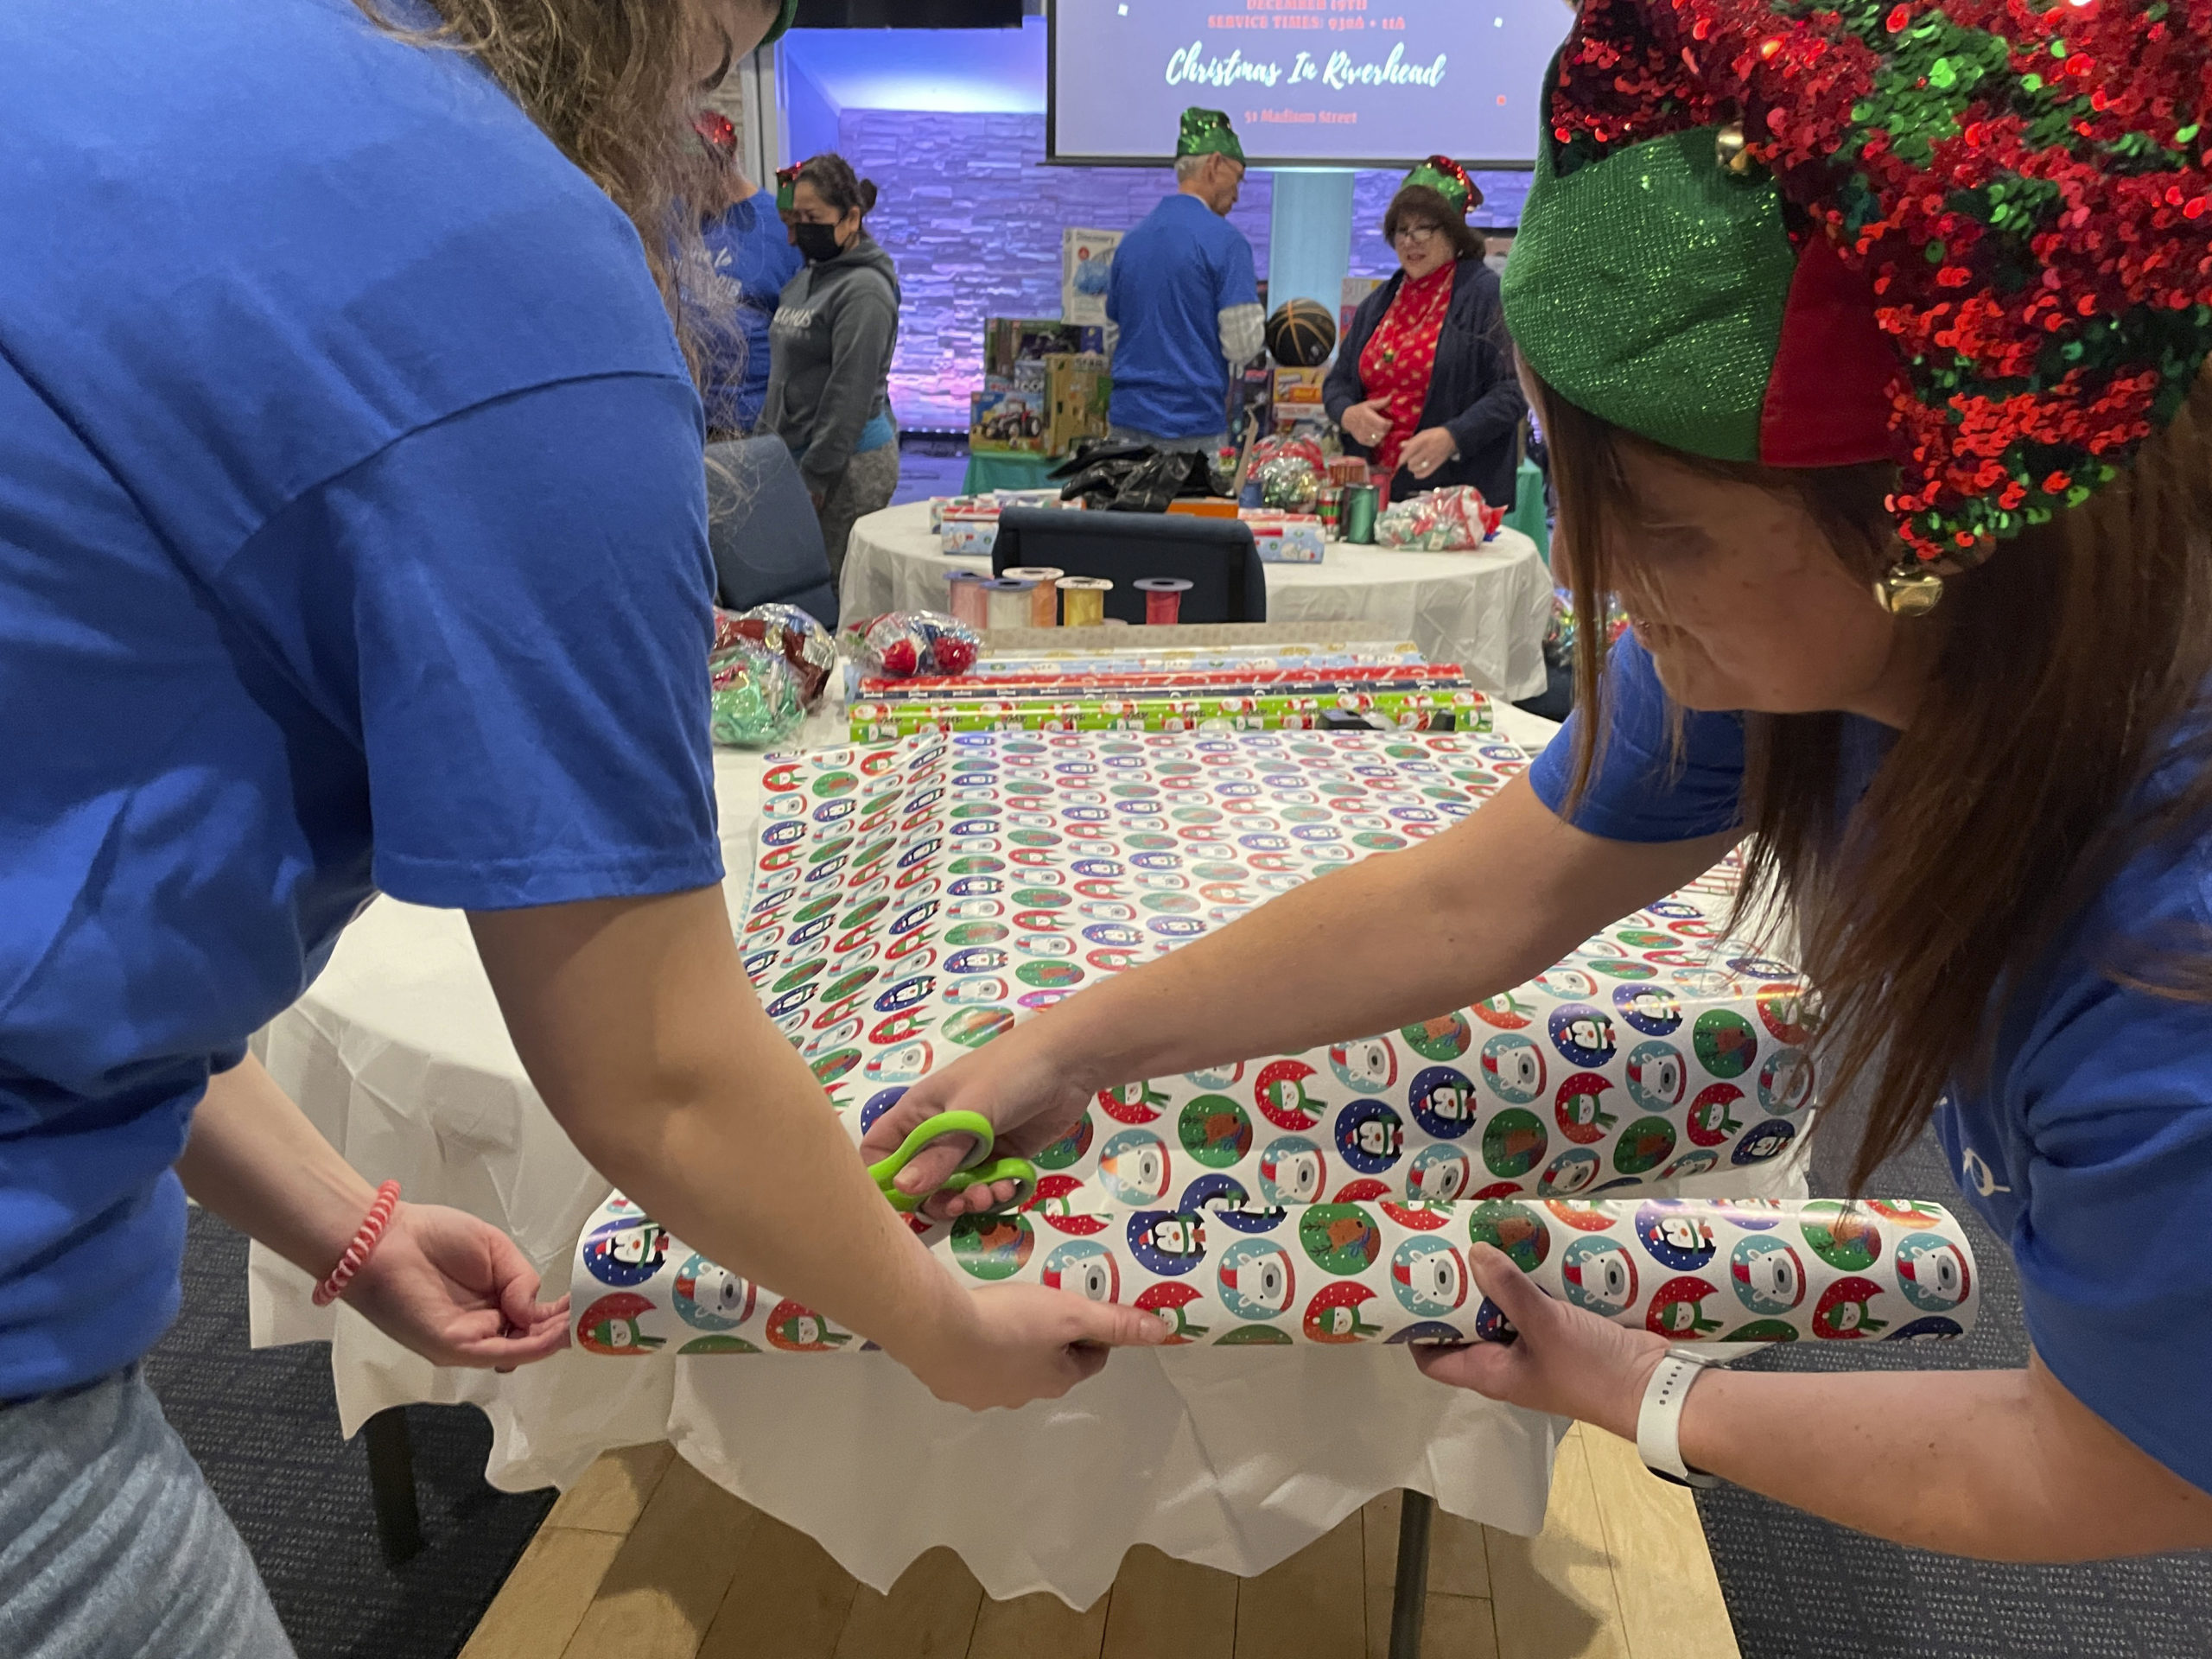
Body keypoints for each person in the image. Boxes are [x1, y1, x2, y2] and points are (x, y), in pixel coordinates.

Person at [868, 0, 2212, 1562]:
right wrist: (1067, 1048)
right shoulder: (1792, 658)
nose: (1599, 584)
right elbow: (1470, 899)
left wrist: (1647, 1390)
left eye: (1674, 534)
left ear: (1931, 519)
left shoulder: (2164, 962)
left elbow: (2120, 1471)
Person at [0, 3, 1160, 1652]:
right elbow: (661, 1063)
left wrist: (345, 1220)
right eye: (728, 44)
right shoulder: (499, 254)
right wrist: (944, 1332)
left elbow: (56, 857)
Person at [1325, 156, 1526, 510]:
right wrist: (1348, 415)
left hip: (1455, 498)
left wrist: (1454, 437)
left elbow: (1515, 390)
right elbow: (1337, 383)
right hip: (1372, 495)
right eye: (1402, 230)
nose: (1410, 241)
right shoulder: (1379, 302)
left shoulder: (1486, 295)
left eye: (1424, 229)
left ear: (1453, 232)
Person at [760, 152, 902, 588]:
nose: (799, 233)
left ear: (851, 218)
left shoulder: (865, 292)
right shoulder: (808, 279)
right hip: (795, 458)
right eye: (795, 219)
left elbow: (849, 393)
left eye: (812, 218)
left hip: (847, 469)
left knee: (834, 597)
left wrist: (816, 478)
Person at [1103, 106, 1263, 454]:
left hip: (1125, 428)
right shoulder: (1227, 243)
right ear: (1215, 164)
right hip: (1194, 431)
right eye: (1238, 178)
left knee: (1123, 511)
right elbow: (1241, 345)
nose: (1236, 195)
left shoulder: (1131, 241)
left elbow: (1112, 340)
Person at [694, 111, 803, 438]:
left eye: (693, 173)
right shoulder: (673, 220)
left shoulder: (781, 229)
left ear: (727, 162)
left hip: (753, 423)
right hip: (688, 416)